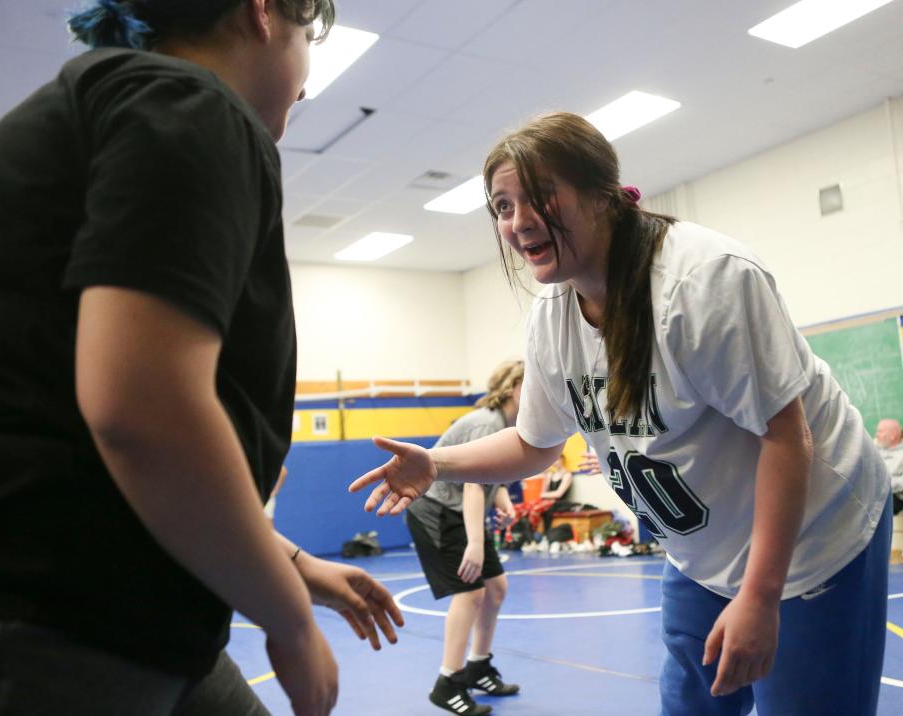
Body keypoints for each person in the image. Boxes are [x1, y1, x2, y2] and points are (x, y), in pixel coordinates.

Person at [0, 2, 404, 716]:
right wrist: (289, 619)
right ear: (261, 13)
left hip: (91, 598)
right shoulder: (190, 104)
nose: (308, 81)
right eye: (306, 38)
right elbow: (143, 409)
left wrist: (293, 565)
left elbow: (56, 414)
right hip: (52, 616)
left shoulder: (98, 107)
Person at [350, 111, 892, 716]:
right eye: (501, 206)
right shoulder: (552, 318)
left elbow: (787, 438)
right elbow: (534, 446)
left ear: (602, 196)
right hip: (704, 556)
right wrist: (436, 463)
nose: (518, 220)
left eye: (539, 196)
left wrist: (762, 597)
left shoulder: (702, 282)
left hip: (813, 538)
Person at [405, 360, 522, 715]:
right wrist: (475, 541)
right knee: (470, 592)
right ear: (514, 387)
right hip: (438, 512)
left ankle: (478, 667)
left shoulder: (508, 424)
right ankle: (448, 682)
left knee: (496, 587)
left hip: (461, 512)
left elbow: (491, 474)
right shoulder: (487, 422)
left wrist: (501, 497)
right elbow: (473, 483)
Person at [875, 418, 903, 514]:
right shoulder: (876, 448)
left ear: (892, 436)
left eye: (880, 432)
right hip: (875, 491)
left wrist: (883, 483)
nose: (876, 435)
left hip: (894, 496)